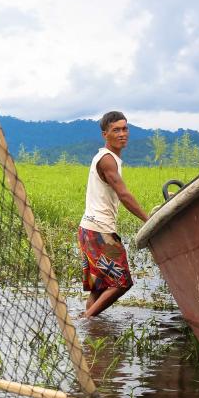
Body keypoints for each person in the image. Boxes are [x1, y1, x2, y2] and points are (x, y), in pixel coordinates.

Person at [78, 111, 149, 318]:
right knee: (122, 282)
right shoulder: (107, 160)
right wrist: (148, 219)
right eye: (116, 130)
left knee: (99, 287)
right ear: (105, 134)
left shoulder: (109, 158)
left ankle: (91, 335)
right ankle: (86, 320)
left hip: (89, 229)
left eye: (125, 129)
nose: (122, 134)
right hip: (99, 232)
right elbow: (124, 195)